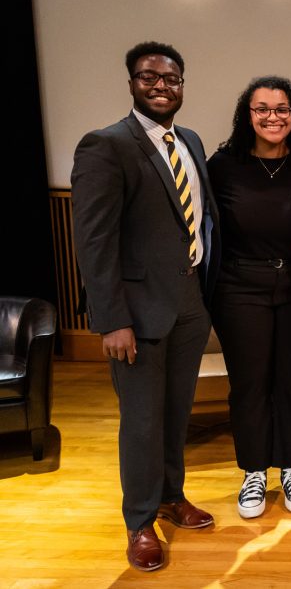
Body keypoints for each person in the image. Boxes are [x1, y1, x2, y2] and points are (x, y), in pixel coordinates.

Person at [71, 41, 219, 572]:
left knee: (176, 413)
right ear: (132, 82)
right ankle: (139, 522)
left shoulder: (192, 142)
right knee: (140, 421)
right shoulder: (106, 145)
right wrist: (110, 319)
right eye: (149, 77)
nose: (161, 86)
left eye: (171, 79)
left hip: (187, 306)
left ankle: (171, 497)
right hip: (135, 315)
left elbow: (199, 221)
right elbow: (93, 241)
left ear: (183, 84)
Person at [208, 76, 291, 519]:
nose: (272, 117)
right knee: (251, 383)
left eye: (281, 109)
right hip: (239, 289)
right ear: (247, 115)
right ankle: (254, 471)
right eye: (262, 109)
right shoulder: (222, 165)